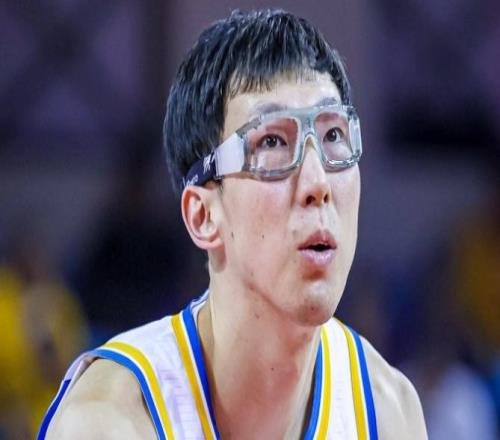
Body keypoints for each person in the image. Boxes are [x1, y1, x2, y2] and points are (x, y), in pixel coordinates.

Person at [39, 9, 427, 439]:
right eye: (273, 142)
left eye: (333, 135)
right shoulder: (109, 422)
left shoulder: (388, 411)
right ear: (203, 216)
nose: (317, 184)